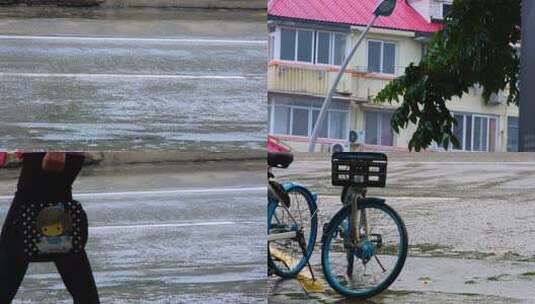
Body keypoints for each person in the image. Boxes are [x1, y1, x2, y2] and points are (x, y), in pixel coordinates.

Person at [0, 152, 100, 304]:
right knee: (63, 244)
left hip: (50, 152)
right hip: (49, 152)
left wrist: (56, 149)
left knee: (13, 245)